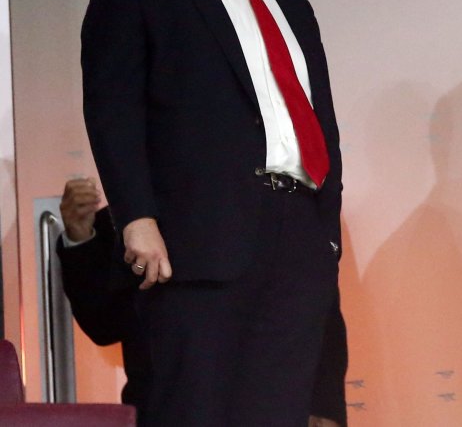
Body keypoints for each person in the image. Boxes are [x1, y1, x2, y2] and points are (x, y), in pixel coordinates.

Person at [81, 0, 344, 426]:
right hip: (195, 246)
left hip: (295, 249)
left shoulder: (292, 3)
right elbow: (112, 108)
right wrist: (136, 217)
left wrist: (325, 234)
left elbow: (320, 123)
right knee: (194, 412)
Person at [57, 178, 349, 427]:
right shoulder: (131, 220)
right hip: (169, 408)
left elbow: (318, 308)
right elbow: (104, 325)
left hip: (275, 404)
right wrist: (80, 237)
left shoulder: (280, 204)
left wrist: (324, 405)